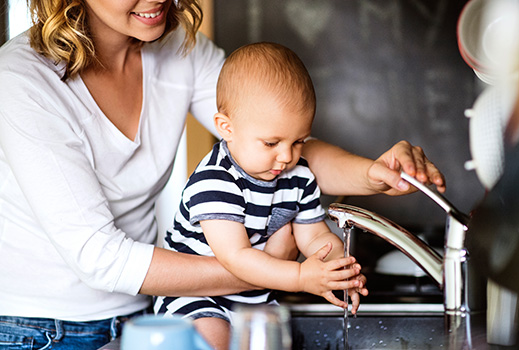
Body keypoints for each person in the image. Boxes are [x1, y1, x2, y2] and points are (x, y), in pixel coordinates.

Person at [0, 0, 445, 349]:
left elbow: (277, 143)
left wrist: (373, 173)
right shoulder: (23, 80)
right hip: (43, 329)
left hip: (144, 313)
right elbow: (101, 257)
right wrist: (281, 268)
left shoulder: (178, 48)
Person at [153, 42, 369, 349]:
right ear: (226, 128)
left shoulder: (299, 175)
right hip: (197, 297)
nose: (286, 157)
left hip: (257, 298)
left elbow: (313, 235)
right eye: (271, 143)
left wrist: (335, 268)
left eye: (298, 142)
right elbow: (236, 257)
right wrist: (299, 278)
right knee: (215, 339)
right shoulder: (215, 180)